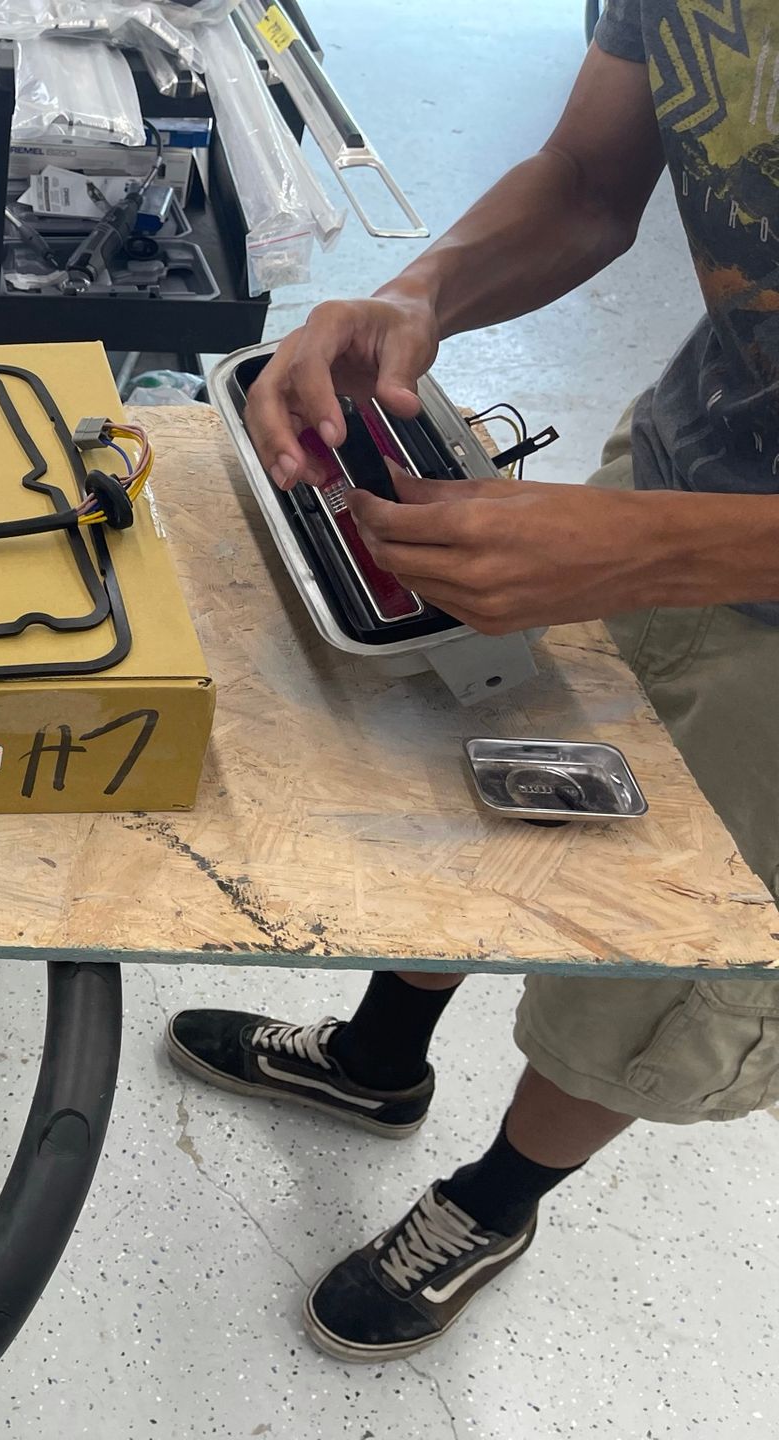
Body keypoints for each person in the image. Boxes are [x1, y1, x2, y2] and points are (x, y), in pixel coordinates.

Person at [168, 1, 779, 1363]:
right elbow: (587, 179)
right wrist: (419, 294)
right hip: (683, 460)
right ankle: (377, 1060)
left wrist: (664, 548)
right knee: (505, 788)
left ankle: (496, 1200)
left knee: (650, 964)